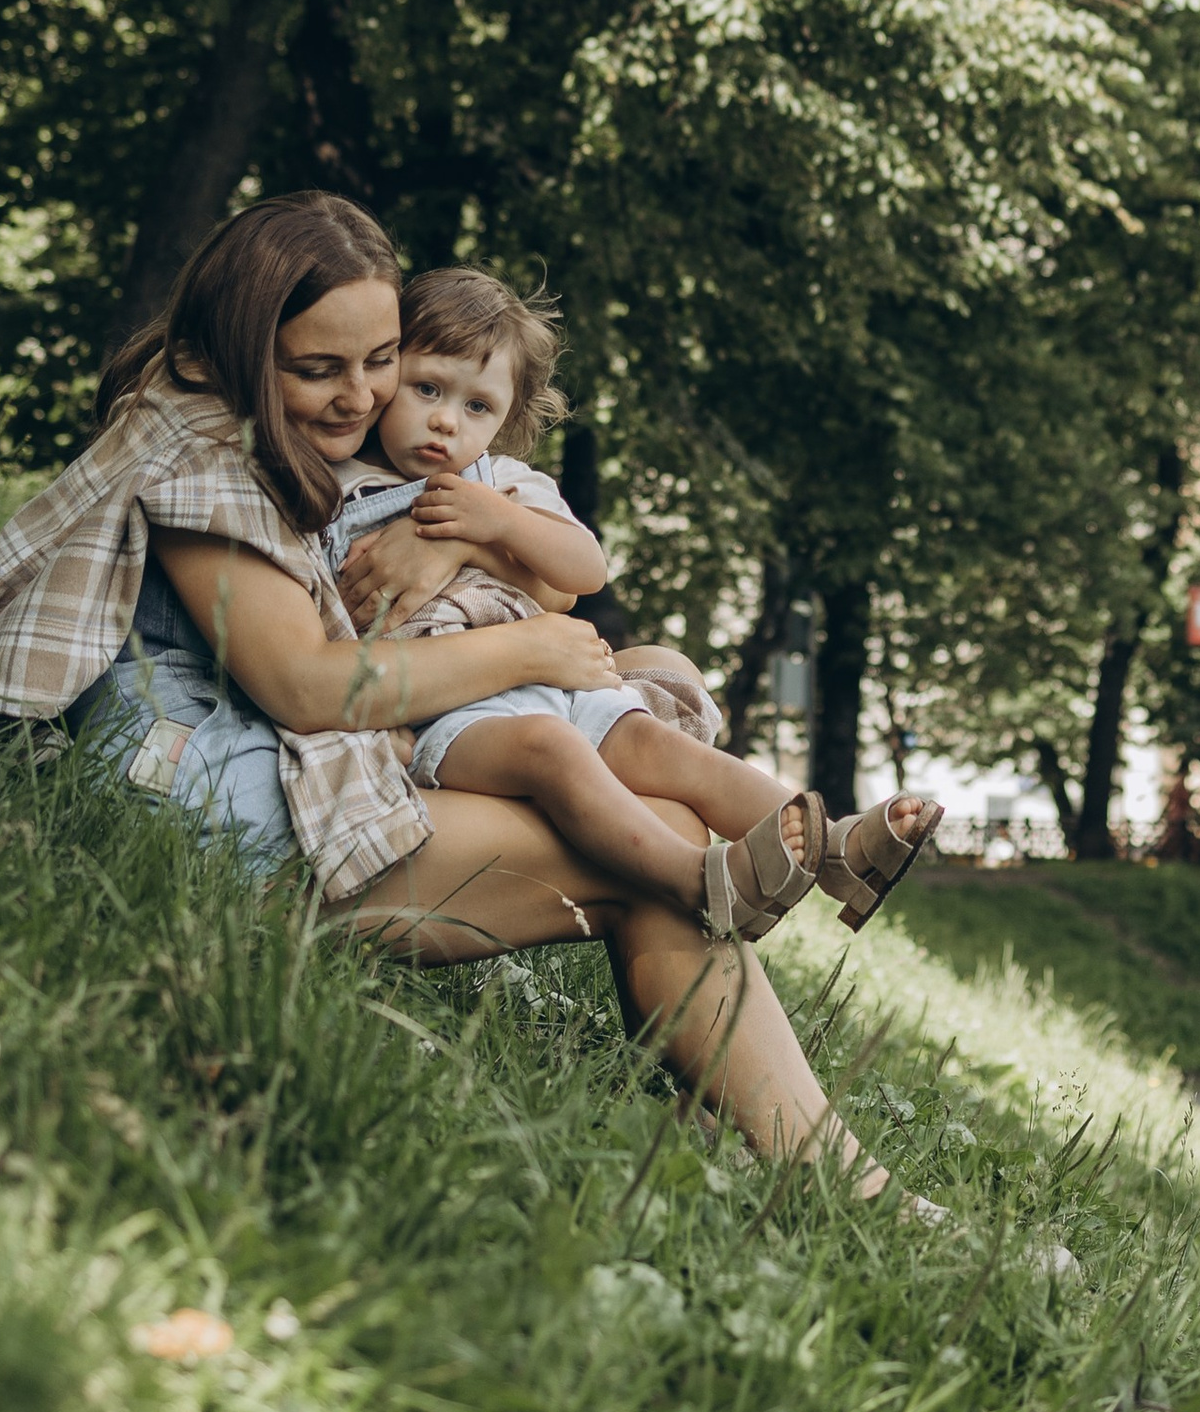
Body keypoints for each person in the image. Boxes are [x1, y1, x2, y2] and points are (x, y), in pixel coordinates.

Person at [0, 192, 904, 1180]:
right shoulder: (204, 459)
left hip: (253, 748)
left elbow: (550, 570)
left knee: (657, 697)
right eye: (319, 368)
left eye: (379, 360)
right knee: (665, 852)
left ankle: (751, 1114)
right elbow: (310, 685)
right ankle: (829, 1172)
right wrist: (531, 653)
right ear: (244, 344)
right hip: (187, 791)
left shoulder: (297, 434)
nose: (358, 398)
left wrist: (445, 548)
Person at [323, 259, 943, 936]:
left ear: (503, 420)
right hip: (448, 715)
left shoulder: (500, 480)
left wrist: (496, 524)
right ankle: (697, 877)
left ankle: (838, 849)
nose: (446, 422)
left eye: (477, 407)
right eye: (427, 388)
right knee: (551, 751)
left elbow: (584, 566)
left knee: (660, 747)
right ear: (385, 376)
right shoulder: (336, 486)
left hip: (551, 683)